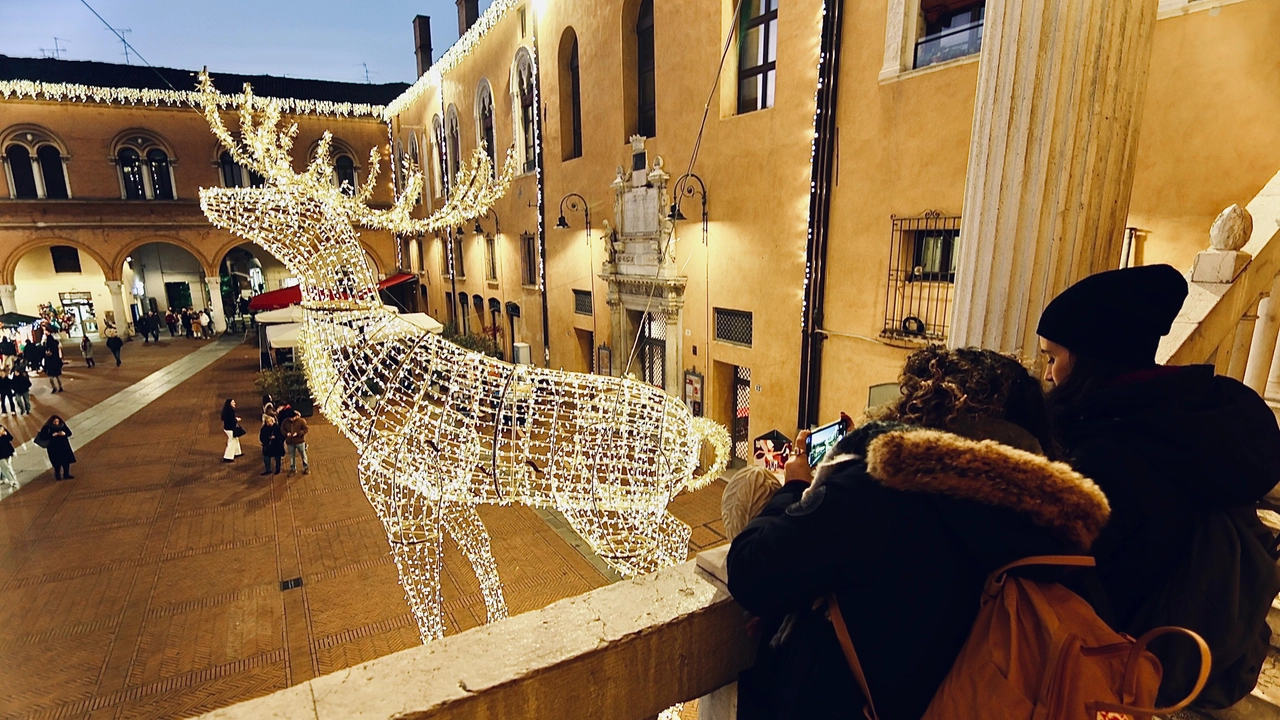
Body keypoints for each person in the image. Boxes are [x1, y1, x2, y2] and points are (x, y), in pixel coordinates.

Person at [726, 347, 1110, 720]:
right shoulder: (1044, 513)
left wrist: (794, 487)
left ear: (926, 405)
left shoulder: (880, 489)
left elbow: (752, 570)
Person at [1037, 264, 1280, 708]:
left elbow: (1062, 567)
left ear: (1091, 357)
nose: (1050, 375)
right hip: (1178, 647)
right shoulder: (1187, 418)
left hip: (1108, 662)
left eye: (1054, 357)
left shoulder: (1107, 451)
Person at [37, 415, 75, 480]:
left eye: (57, 421)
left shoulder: (62, 425)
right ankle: (57, 475)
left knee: (66, 461)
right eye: (55, 421)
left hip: (64, 446)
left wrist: (64, 433)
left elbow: (69, 433)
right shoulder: (47, 427)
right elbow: (43, 436)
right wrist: (52, 435)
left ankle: (66, 474)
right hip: (53, 448)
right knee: (56, 462)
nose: (56, 423)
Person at [280, 407, 310, 475]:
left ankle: (306, 467)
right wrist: (286, 434)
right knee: (291, 456)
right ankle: (293, 469)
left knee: (303, 454)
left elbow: (306, 429)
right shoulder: (285, 422)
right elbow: (282, 429)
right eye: (290, 418)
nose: (291, 419)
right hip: (290, 442)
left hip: (300, 441)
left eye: (293, 418)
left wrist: (298, 433)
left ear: (296, 416)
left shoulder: (301, 421)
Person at [0, 422, 15, 489]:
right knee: (5, 467)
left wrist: (5, 434)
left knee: (5, 467)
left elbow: (11, 438)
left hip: (6, 451)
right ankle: (12, 480)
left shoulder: (3, 429)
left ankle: (2, 478)